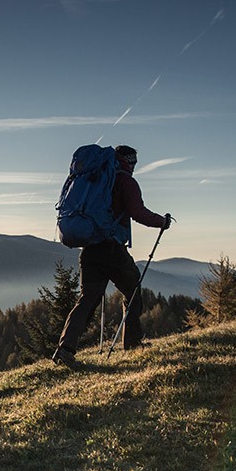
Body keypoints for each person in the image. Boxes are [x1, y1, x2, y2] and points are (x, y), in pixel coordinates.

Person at [52, 144, 172, 366]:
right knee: (133, 290)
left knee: (87, 299)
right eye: (133, 162)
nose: (134, 167)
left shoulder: (94, 178)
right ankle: (132, 344)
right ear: (129, 161)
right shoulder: (125, 181)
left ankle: (65, 349)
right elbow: (137, 212)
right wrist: (161, 222)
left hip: (89, 249)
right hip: (112, 248)